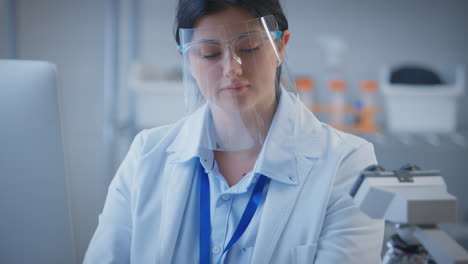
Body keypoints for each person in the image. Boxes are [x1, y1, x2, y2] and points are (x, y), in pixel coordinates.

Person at [84, 0, 384, 263]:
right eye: (210, 53)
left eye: (249, 48)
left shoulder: (347, 163)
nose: (232, 68)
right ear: (187, 58)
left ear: (280, 45)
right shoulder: (146, 155)